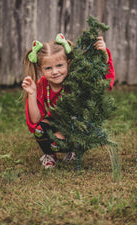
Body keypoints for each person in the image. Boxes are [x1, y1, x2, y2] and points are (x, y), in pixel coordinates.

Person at [22, 33, 115, 169]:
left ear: (68, 63)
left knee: (62, 138)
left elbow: (102, 82)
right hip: (55, 121)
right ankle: (50, 155)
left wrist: (103, 54)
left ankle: (73, 150)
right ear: (40, 69)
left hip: (75, 124)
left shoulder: (76, 79)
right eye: (48, 68)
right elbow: (35, 120)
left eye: (59, 65)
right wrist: (32, 93)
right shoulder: (41, 85)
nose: (55, 72)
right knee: (40, 129)